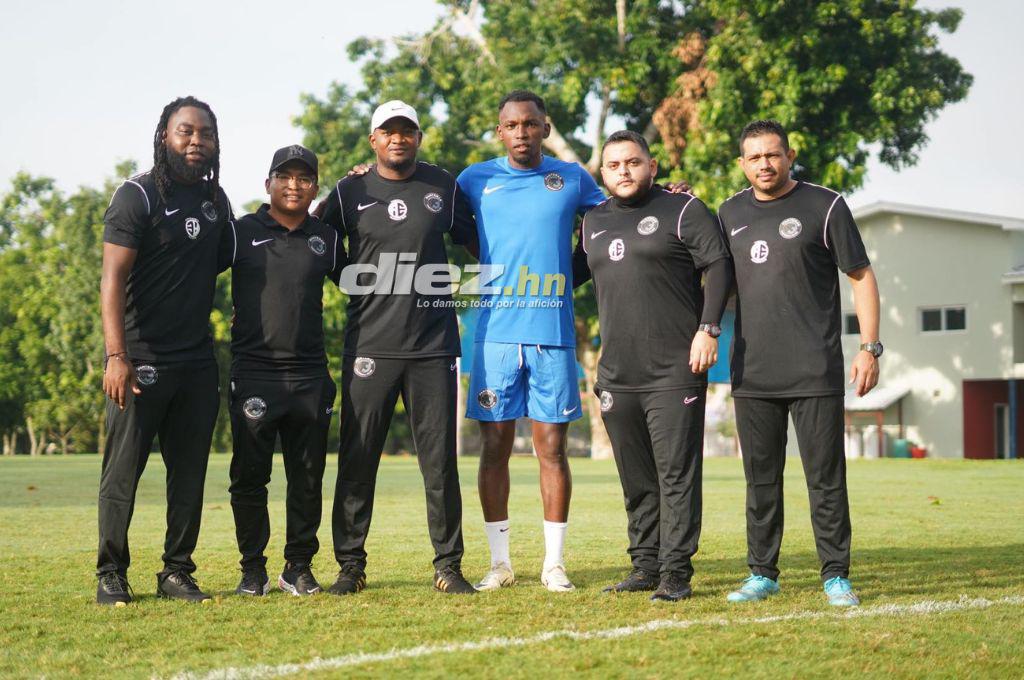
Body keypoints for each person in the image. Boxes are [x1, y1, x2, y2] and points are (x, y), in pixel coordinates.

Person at [717, 119, 881, 607]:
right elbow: (714, 283)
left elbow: (861, 275)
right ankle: (762, 573)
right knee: (760, 479)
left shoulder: (824, 204)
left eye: (772, 155)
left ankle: (835, 576)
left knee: (825, 477)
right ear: (741, 163)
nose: (764, 164)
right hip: (751, 370)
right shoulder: (728, 212)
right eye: (754, 157)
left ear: (789, 155)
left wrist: (870, 347)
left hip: (814, 368)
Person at [318, 101, 478, 595]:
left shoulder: (443, 186)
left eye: (407, 131)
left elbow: (481, 246)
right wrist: (352, 280)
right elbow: (318, 243)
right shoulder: (350, 190)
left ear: (419, 137)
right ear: (373, 140)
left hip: (432, 346)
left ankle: (448, 566)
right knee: (357, 457)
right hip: (369, 344)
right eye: (388, 132)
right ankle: (350, 566)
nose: (398, 139)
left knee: (439, 462)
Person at [573, 130, 732, 601]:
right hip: (617, 374)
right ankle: (644, 565)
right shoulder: (594, 221)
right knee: (637, 477)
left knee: (676, 474)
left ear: (652, 165)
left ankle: (676, 573)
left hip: (674, 369)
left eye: (633, 162)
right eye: (615, 165)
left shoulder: (684, 210)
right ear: (603, 174)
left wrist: (709, 328)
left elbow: (719, 266)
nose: (624, 171)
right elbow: (564, 273)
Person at [457, 90, 606, 592]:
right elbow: (443, 218)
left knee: (552, 449)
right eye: (511, 125)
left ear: (544, 126)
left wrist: (667, 191)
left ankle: (553, 564)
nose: (520, 132)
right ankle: (499, 563)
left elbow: (613, 221)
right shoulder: (474, 179)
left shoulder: (572, 178)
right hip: (494, 336)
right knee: (493, 446)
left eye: (529, 123)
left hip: (553, 334)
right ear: (499, 131)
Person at [97, 96, 232, 605]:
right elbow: (112, 279)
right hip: (138, 361)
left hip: (197, 363)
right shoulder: (137, 196)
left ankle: (177, 571)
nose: (197, 141)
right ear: (164, 137)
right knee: (122, 472)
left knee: (189, 474)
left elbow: (220, 266)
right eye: (186, 132)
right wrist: (116, 355)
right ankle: (111, 572)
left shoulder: (216, 203)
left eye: (206, 134)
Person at [220, 145, 345, 597]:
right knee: (250, 477)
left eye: (304, 178)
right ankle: (252, 568)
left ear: (315, 187)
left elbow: (362, 285)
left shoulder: (326, 238)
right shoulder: (239, 233)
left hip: (311, 375)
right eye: (285, 177)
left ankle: (298, 567)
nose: (294, 185)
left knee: (307, 476)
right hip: (254, 373)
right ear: (268, 183)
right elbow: (191, 276)